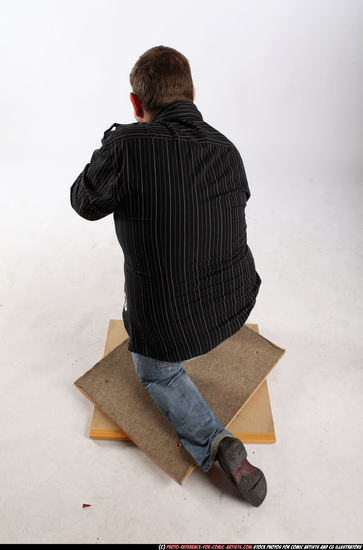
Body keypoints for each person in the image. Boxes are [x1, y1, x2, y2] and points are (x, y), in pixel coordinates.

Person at [70, 45, 266, 506]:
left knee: (154, 371)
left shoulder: (126, 147)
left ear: (137, 104)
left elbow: (83, 202)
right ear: (193, 94)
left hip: (169, 332)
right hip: (235, 305)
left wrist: (116, 140)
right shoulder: (227, 149)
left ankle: (216, 441)